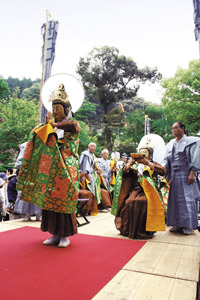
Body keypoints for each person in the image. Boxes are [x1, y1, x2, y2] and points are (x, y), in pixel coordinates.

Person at [17, 84, 81, 247]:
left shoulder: (71, 125)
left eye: (58, 108)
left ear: (67, 109)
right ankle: (54, 234)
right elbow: (37, 139)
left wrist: (54, 125)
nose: (56, 111)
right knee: (49, 202)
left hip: (67, 169)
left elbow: (74, 126)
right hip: (51, 171)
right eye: (53, 108)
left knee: (64, 202)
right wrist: (45, 127)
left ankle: (64, 236)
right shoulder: (47, 127)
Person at [112, 141, 166, 239]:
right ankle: (129, 229)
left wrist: (147, 163)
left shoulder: (153, 164)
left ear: (150, 155)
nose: (142, 156)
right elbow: (123, 173)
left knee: (142, 202)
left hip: (150, 192)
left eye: (145, 153)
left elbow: (162, 171)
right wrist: (129, 163)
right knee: (129, 202)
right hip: (136, 190)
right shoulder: (134, 165)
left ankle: (145, 231)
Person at [163, 121, 200, 235]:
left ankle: (189, 226)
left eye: (176, 128)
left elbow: (195, 157)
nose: (174, 130)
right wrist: (166, 173)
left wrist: (192, 173)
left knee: (187, 200)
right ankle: (177, 225)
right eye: (172, 129)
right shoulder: (171, 143)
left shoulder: (192, 141)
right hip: (174, 175)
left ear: (183, 129)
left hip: (186, 174)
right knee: (174, 200)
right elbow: (168, 160)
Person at [79, 142, 102, 215]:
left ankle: (90, 209)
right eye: (92, 146)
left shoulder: (93, 155)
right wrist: (87, 175)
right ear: (88, 147)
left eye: (94, 146)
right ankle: (85, 210)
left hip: (92, 174)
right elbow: (85, 166)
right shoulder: (86, 154)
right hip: (86, 175)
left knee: (93, 192)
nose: (93, 147)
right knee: (89, 192)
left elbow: (93, 166)